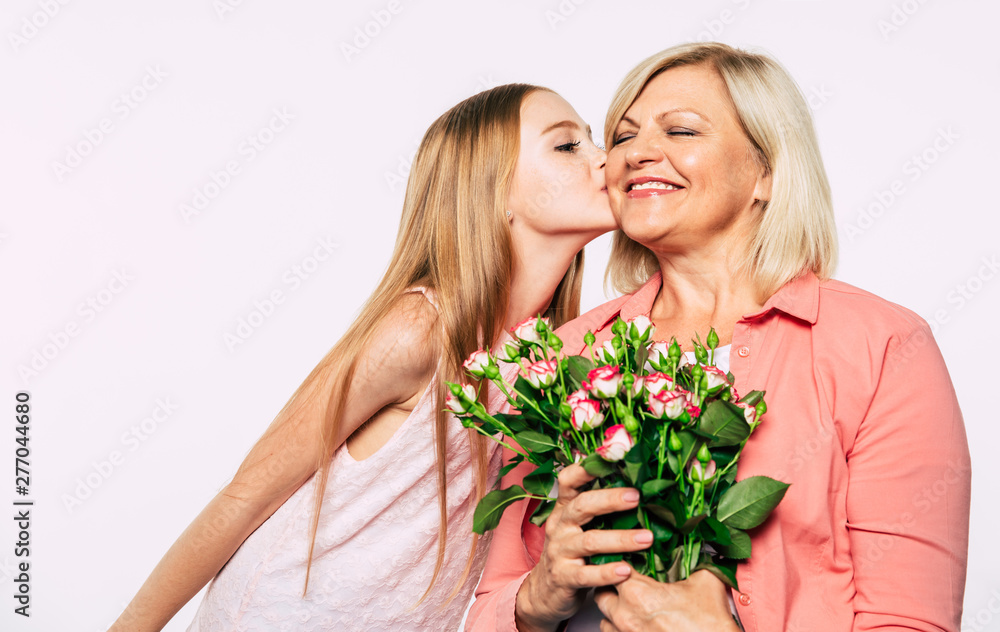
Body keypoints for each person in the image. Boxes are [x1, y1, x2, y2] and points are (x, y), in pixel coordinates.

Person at [467, 43, 971, 632]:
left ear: (766, 172)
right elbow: (488, 607)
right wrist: (533, 600)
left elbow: (910, 620)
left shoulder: (883, 347)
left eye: (680, 130)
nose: (635, 154)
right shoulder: (565, 360)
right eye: (624, 136)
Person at [110, 82, 615, 631]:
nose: (604, 157)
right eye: (568, 145)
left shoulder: (551, 355)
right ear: (495, 192)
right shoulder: (423, 329)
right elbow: (247, 496)